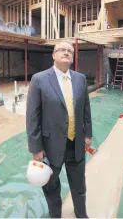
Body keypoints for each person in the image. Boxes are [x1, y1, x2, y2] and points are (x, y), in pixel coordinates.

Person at [26, 41, 92, 218]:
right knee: (51, 186)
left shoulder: (80, 79)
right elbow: (32, 116)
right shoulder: (39, 79)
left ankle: (81, 214)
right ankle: (56, 215)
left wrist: (88, 134)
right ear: (53, 55)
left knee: (79, 185)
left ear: (72, 57)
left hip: (75, 144)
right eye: (62, 50)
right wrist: (36, 148)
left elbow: (86, 108)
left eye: (70, 51)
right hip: (50, 146)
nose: (66, 53)